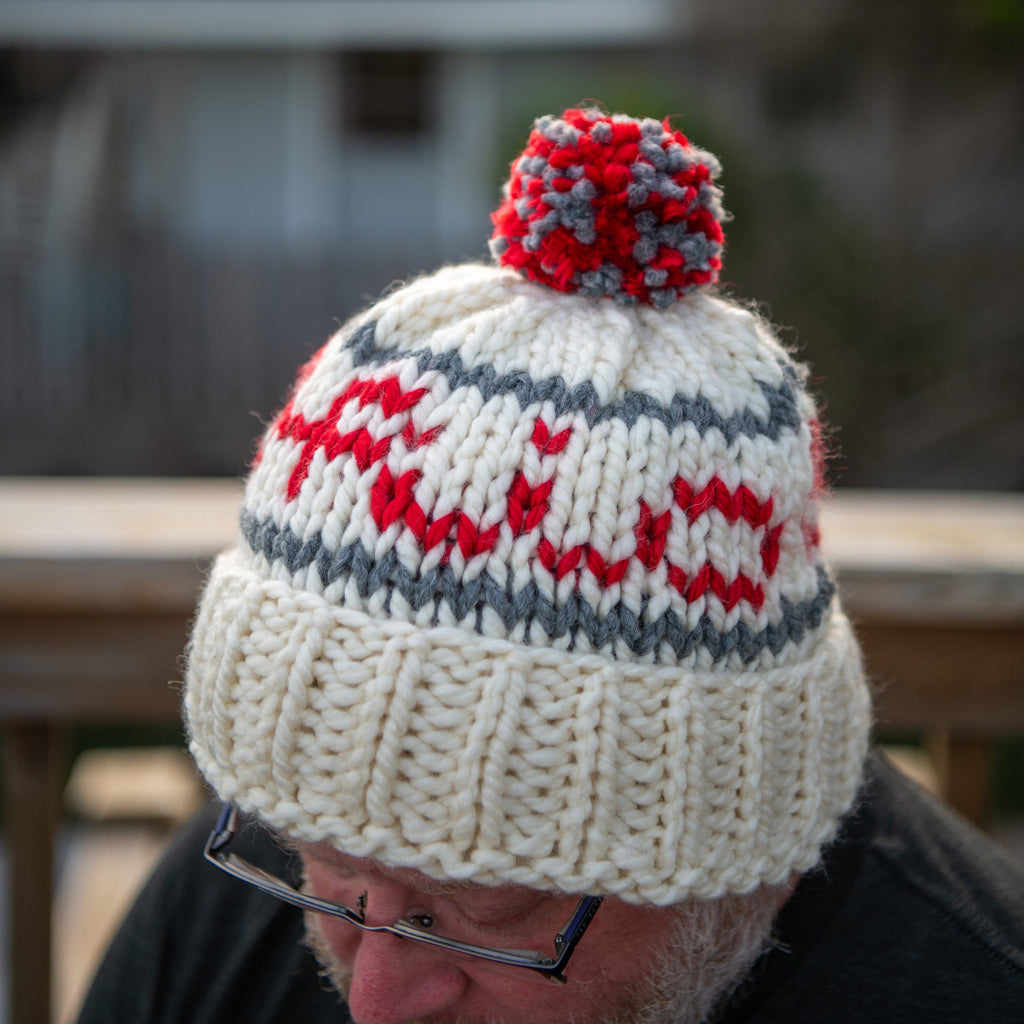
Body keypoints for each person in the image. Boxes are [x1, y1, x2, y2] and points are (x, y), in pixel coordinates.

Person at [77, 108, 1024, 1024]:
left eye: (485, 914)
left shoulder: (971, 989)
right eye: (328, 864)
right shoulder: (220, 919)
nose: (376, 1000)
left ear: (732, 839)